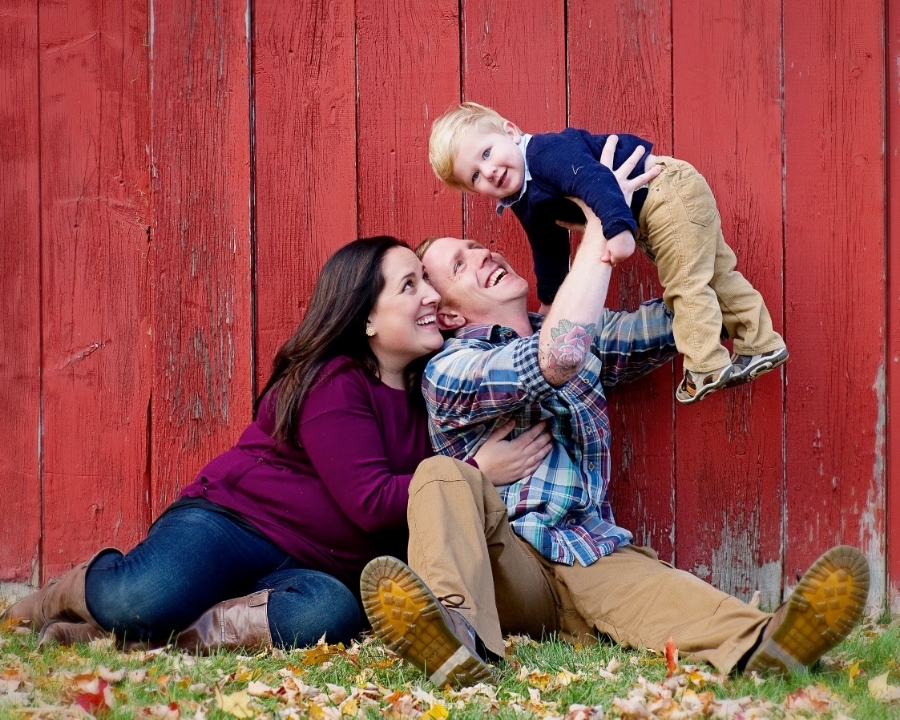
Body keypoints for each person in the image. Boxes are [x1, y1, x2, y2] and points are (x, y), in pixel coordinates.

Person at [358, 152, 869, 686]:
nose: (483, 253)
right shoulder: (450, 369)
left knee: (653, 586)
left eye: (476, 245)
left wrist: (674, 230)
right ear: (451, 314)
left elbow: (672, 317)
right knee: (440, 476)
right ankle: (455, 640)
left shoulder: (582, 331)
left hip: (587, 553)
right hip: (504, 568)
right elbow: (551, 360)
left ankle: (766, 642)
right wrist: (605, 218)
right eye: (459, 265)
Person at [2, 237, 550, 652]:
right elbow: (370, 503)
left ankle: (168, 634)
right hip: (233, 525)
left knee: (328, 618)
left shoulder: (433, 390)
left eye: (428, 284)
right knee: (141, 598)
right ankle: (63, 596)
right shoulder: (334, 380)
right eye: (410, 286)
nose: (430, 297)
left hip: (314, 567)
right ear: (366, 319)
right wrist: (476, 469)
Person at [428, 101, 788, 404]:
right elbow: (548, 249)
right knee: (716, 276)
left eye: (487, 153)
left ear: (509, 132)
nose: (488, 171)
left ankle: (706, 364)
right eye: (474, 176)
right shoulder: (525, 199)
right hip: (658, 204)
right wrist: (552, 301)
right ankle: (760, 343)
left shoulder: (542, 154)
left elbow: (594, 180)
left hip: (663, 190)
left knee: (686, 282)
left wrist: (617, 230)